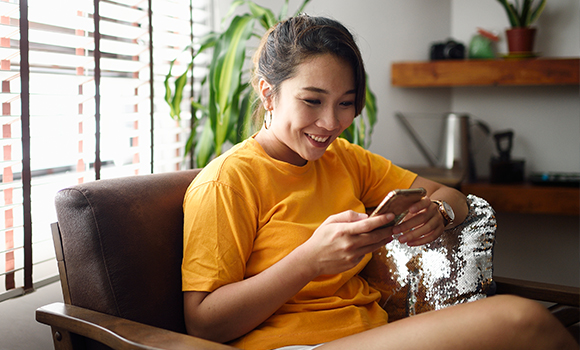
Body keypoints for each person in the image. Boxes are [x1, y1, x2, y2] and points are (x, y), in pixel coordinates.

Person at [181, 14, 576, 350]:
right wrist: (309, 261)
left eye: (346, 102)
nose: (332, 123)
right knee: (521, 318)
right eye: (313, 101)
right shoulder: (226, 183)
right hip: (298, 345)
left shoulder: (345, 160)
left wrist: (439, 211)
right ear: (269, 94)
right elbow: (203, 322)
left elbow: (448, 193)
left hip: (373, 334)